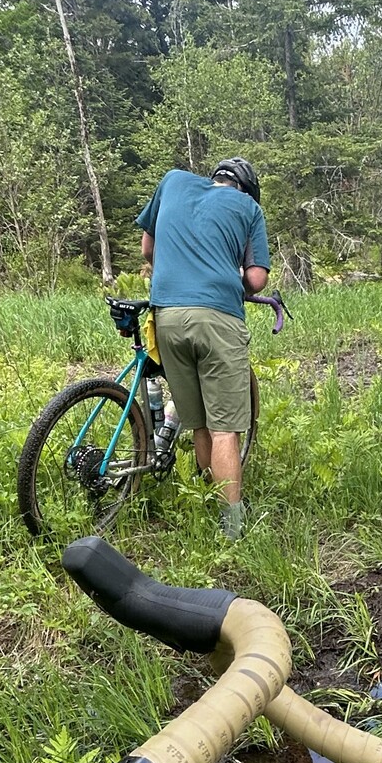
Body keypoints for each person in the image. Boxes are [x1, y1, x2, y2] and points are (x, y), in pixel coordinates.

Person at [136, 155, 270, 541]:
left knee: (198, 425)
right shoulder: (248, 208)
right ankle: (231, 531)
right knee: (225, 431)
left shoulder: (174, 180)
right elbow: (257, 279)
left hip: (167, 317)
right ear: (246, 189)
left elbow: (148, 250)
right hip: (217, 320)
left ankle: (203, 509)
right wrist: (230, 285)